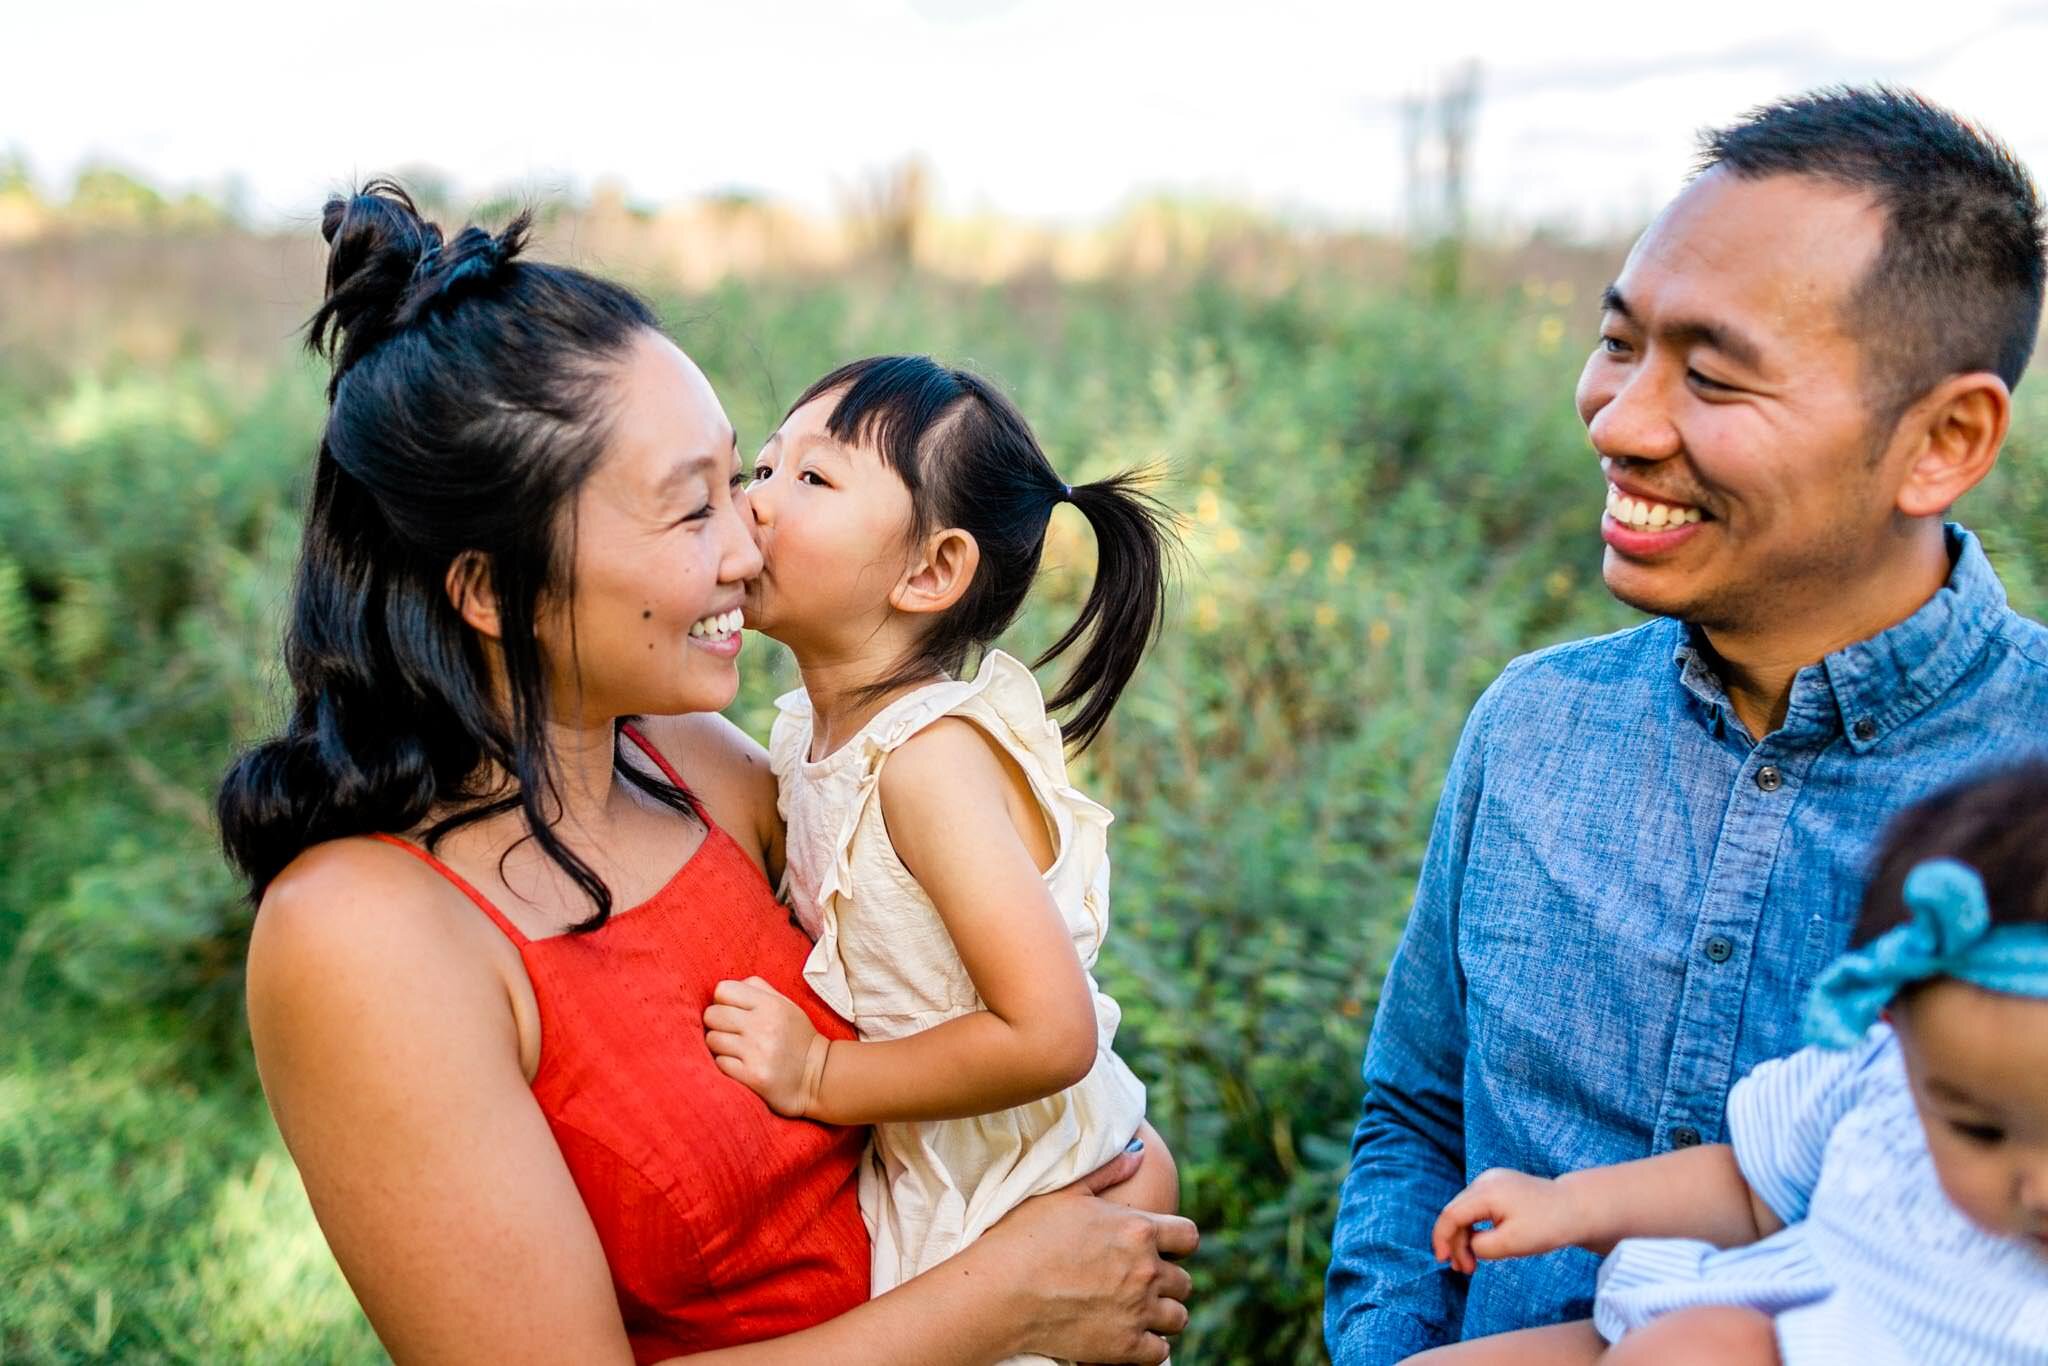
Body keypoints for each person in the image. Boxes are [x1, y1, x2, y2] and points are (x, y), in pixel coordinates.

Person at [221, 182, 1195, 1365]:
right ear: (490, 590)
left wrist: (1114, 1187)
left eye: (748, 478)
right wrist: (998, 1303)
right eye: (692, 512)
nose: (749, 545)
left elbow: (989, 1021)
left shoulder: (697, 765)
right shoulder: (364, 934)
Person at [1324, 86, 2048, 1361]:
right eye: (1618, 344)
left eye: (1710, 376)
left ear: (1941, 440)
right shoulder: (1534, 727)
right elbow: (1414, 1118)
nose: (1619, 419)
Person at [698, 357, 1172, 1360]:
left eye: (812, 481)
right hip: (938, 1164)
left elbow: (1052, 1032)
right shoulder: (802, 734)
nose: (756, 500)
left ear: (929, 572)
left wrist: (822, 1073)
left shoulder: (926, 760)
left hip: (1020, 1178)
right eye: (765, 464)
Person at [1420, 762, 2048, 1364]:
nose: (2040, 1189)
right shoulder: (1877, 1085)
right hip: (1728, 1308)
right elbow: (1750, 1194)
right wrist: (1572, 1205)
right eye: (1978, 1130)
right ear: (1896, 1031)